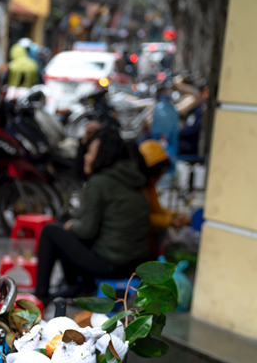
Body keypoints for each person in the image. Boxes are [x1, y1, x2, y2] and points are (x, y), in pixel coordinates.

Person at [34, 128, 151, 301]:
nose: (86, 157)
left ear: (103, 155)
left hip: (113, 264)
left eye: (90, 152)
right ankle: (80, 286)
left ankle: (40, 297)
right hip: (136, 263)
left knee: (51, 231)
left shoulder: (100, 183)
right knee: (66, 229)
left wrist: (71, 225)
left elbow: (87, 230)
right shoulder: (131, 177)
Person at [136, 139, 191, 229]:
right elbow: (139, 218)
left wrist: (174, 215)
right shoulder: (135, 187)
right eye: (159, 174)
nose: (159, 178)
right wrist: (169, 221)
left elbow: (155, 209)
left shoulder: (149, 184)